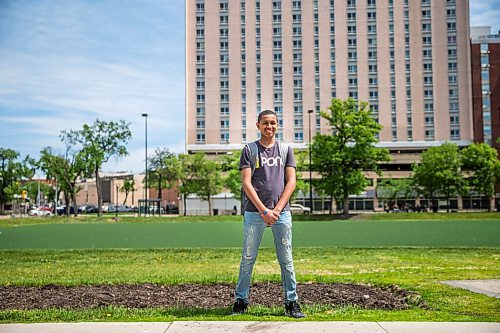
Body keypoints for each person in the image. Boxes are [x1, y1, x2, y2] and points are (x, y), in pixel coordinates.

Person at [232, 110, 305, 318]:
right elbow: (246, 183)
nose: (269, 127)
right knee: (248, 258)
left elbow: (291, 182)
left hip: (281, 213)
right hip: (255, 213)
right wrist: (264, 210)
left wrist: (277, 210)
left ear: (277, 125)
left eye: (273, 123)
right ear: (258, 125)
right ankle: (241, 300)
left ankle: (292, 302)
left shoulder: (285, 150)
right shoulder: (249, 150)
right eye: (265, 123)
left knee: (286, 259)